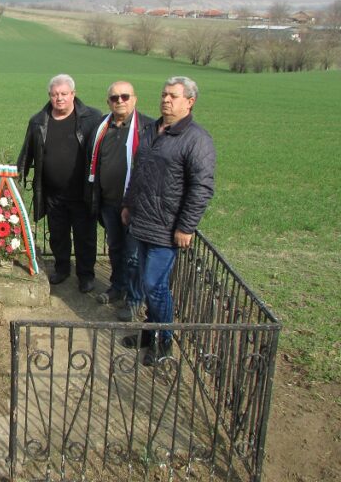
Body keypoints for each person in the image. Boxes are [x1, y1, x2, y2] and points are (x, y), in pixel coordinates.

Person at [121, 76, 216, 365]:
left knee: (155, 285)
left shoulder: (196, 140)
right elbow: (138, 172)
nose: (166, 100)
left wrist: (186, 226)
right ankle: (148, 334)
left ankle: (164, 342)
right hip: (143, 219)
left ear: (190, 101)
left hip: (167, 226)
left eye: (173, 96)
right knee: (148, 282)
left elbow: (202, 187)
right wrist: (128, 204)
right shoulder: (152, 130)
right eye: (164, 94)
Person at [17, 73, 102, 293]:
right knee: (58, 236)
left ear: (73, 94)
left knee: (85, 238)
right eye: (55, 94)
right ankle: (62, 269)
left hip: (82, 193)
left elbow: (103, 151)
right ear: (49, 96)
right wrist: (16, 180)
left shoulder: (92, 118)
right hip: (53, 194)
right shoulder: (38, 121)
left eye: (64, 94)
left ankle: (86, 275)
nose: (59, 98)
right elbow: (26, 155)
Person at [88, 81, 154, 321]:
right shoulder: (102, 127)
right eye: (114, 98)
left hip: (136, 205)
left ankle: (134, 299)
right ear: (108, 102)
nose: (120, 101)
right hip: (109, 201)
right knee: (115, 247)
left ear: (134, 99)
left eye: (125, 96)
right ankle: (118, 286)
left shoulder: (148, 128)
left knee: (134, 254)